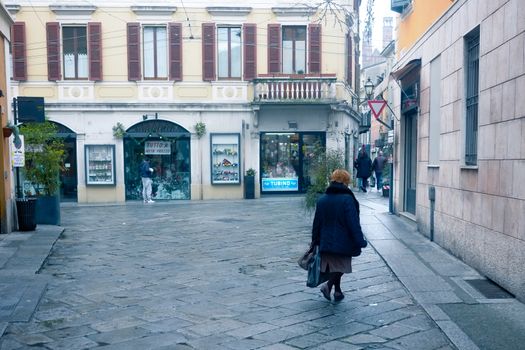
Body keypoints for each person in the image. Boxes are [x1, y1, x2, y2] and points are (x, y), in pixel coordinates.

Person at [311, 169, 367, 301]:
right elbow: (353, 222)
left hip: (326, 240)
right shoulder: (347, 199)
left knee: (334, 267)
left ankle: (337, 291)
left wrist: (315, 240)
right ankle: (328, 286)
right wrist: (360, 240)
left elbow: (316, 223)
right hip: (343, 241)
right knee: (341, 267)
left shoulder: (322, 199)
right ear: (346, 182)